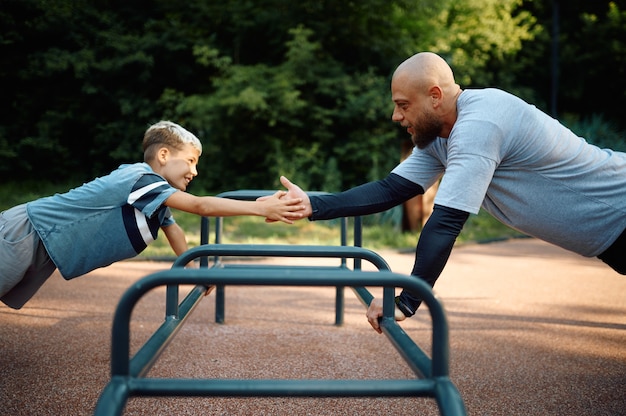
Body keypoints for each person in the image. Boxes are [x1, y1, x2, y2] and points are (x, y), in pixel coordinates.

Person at [275, 51, 626, 333]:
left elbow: (445, 223)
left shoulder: (479, 125)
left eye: (403, 104)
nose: (395, 116)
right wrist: (312, 204)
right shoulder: (439, 138)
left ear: (435, 97)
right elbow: (390, 190)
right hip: (609, 235)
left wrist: (406, 301)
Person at [0, 120, 304, 309]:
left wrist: (195, 270)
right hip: (27, 231)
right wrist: (260, 208)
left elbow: (173, 230)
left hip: (41, 243)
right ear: (163, 155)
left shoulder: (154, 196)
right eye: (191, 161)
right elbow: (200, 207)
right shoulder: (139, 179)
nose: (195, 171)